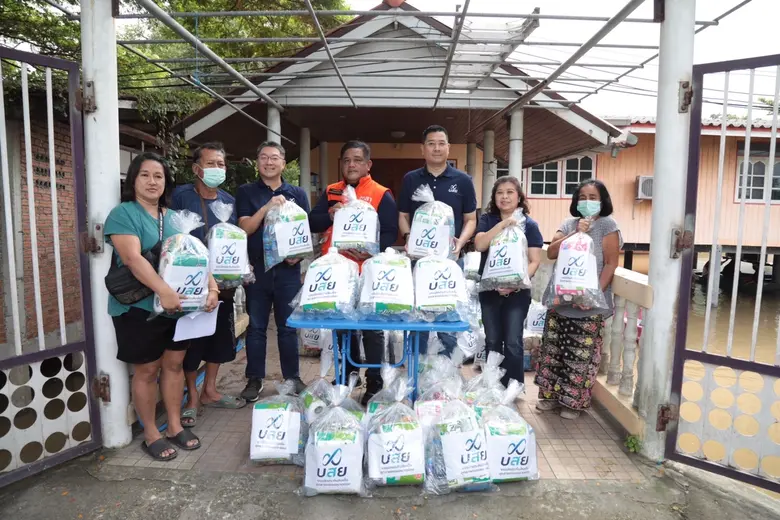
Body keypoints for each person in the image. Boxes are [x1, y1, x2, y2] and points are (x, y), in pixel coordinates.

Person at [105, 152, 219, 461]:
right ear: (133, 180)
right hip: (139, 308)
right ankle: (151, 433)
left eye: (159, 175)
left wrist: (211, 287)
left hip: (176, 309)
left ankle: (172, 425)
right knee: (147, 370)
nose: (153, 181)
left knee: (173, 367)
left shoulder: (173, 217)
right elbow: (132, 258)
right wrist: (164, 291)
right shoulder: (123, 213)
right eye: (145, 175)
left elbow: (195, 256)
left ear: (166, 181)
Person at [309, 140, 399, 404]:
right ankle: (347, 377)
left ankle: (374, 383)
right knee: (342, 327)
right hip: (338, 274)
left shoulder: (381, 193)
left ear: (368, 164)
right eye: (347, 160)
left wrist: (372, 251)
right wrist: (330, 213)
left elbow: (391, 231)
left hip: (368, 272)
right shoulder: (331, 191)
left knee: (372, 329)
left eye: (357, 160)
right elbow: (313, 221)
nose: (351, 165)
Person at [170, 143, 245, 428]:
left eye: (221, 164)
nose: (217, 169)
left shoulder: (227, 200)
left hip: (223, 284)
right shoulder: (181, 196)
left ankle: (210, 390)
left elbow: (234, 237)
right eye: (211, 164)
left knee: (219, 339)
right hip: (190, 283)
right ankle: (192, 398)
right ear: (196, 168)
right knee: (192, 341)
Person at [535, 179, 622, 420]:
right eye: (582, 197)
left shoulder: (608, 225)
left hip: (588, 305)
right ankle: (549, 397)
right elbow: (552, 252)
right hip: (560, 302)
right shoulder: (569, 224)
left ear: (602, 201)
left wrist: (592, 296)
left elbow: (611, 263)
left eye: (593, 197)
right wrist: (576, 233)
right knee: (554, 351)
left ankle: (572, 404)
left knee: (580, 355)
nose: (587, 201)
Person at [237, 141, 310, 402]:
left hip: (287, 272)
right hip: (257, 271)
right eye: (264, 157)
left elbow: (304, 233)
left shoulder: (298, 193)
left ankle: (292, 377)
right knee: (256, 328)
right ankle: (254, 379)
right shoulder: (246, 192)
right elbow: (245, 228)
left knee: (288, 327)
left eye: (275, 158)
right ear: (257, 162)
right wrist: (267, 207)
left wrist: (297, 256)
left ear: (283, 162)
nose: (269, 162)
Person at [398, 125, 478, 355]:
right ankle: (417, 366)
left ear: (448, 147)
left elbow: (470, 219)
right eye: (431, 143)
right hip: (418, 261)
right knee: (418, 318)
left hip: (450, 261)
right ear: (422, 149)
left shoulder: (462, 180)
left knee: (448, 318)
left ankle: (447, 373)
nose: (436, 148)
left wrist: (460, 242)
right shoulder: (411, 179)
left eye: (441, 143)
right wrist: (408, 236)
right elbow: (403, 216)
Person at [474, 176, 543, 387]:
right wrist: (504, 224)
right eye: (499, 192)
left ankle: (512, 386)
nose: (504, 197)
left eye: (510, 192)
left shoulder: (529, 225)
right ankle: (493, 385)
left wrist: (516, 283)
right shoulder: (487, 220)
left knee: (513, 341)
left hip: (517, 293)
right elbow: (480, 245)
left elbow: (534, 260)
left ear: (519, 196)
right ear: (494, 197)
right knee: (492, 340)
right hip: (489, 290)